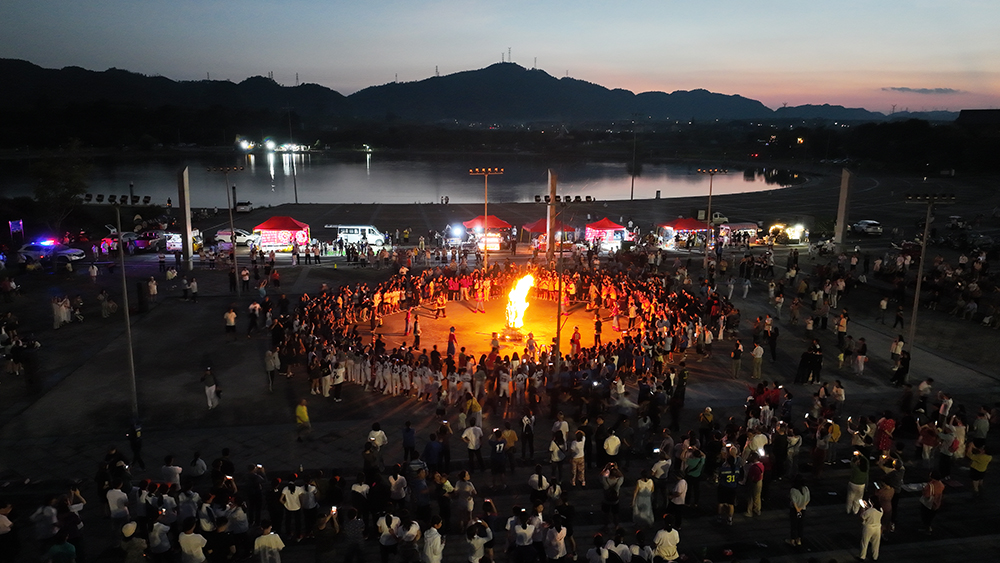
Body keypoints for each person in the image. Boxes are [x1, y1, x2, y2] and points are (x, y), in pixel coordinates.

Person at [786, 475, 809, 547]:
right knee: (800, 525)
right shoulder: (806, 489)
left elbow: (794, 501)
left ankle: (792, 540)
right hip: (803, 509)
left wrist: (797, 509)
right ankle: (799, 539)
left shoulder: (793, 490)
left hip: (794, 510)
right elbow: (808, 500)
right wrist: (802, 507)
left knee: (794, 525)